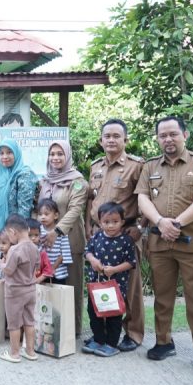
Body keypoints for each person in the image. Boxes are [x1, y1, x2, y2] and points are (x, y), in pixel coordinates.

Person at [135, 116, 193, 373]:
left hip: (192, 244)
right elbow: (142, 198)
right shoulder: (150, 167)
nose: (168, 139)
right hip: (160, 243)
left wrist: (177, 224)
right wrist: (161, 222)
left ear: (185, 134)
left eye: (173, 134)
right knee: (162, 296)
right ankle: (163, 341)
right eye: (163, 135)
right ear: (157, 138)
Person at [84, 118, 145, 352]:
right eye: (107, 136)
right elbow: (91, 198)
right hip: (99, 234)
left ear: (125, 139)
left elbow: (145, 198)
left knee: (129, 287)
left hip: (125, 233)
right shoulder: (96, 166)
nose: (111, 140)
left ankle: (133, 333)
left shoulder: (136, 166)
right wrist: (89, 223)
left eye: (116, 136)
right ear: (101, 140)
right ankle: (102, 334)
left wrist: (140, 228)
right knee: (100, 284)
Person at [38, 140, 88, 336]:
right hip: (45, 244)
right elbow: (40, 209)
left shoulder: (78, 182)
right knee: (49, 285)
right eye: (52, 154)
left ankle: (72, 330)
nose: (56, 158)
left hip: (70, 240)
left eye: (60, 154)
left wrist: (56, 232)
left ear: (67, 156)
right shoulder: (45, 181)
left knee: (71, 286)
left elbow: (76, 209)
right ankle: (52, 327)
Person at [82, 202, 137, 358]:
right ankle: (98, 339)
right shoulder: (97, 236)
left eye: (115, 222)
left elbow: (131, 262)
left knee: (113, 315)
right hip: (96, 285)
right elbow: (88, 252)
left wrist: (114, 269)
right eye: (106, 222)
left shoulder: (126, 241)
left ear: (122, 222)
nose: (111, 225)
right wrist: (92, 260)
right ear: (100, 223)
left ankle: (112, 344)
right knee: (94, 312)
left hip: (115, 287)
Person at [0, 214, 39, 363]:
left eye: (8, 234)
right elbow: (36, 266)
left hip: (14, 291)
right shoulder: (35, 247)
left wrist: (0, 264)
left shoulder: (14, 250)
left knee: (14, 323)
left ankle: (14, 353)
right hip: (31, 289)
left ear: (13, 232)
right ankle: (30, 351)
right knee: (29, 321)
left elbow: (8, 270)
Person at [0, 139, 36, 239]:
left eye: (9, 152)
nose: (5, 156)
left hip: (16, 234)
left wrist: (14, 234)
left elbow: (24, 209)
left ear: (16, 153)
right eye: (1, 153)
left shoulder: (25, 175)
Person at [36, 198, 72, 284]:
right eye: (40, 214)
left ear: (56, 215)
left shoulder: (61, 232)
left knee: (58, 295)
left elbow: (65, 253)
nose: (43, 217)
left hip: (57, 272)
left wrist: (52, 268)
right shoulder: (37, 231)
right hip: (41, 272)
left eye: (46, 214)